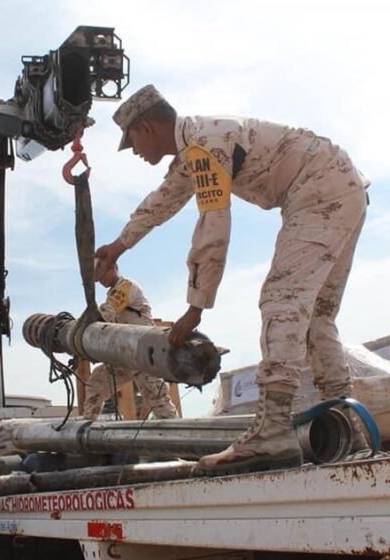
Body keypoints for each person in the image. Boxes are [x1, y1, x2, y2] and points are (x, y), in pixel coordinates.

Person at [94, 85, 369, 475]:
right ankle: (349, 428)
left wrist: (195, 308)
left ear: (147, 126)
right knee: (317, 316)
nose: (134, 150)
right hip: (343, 185)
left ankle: (272, 429)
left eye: (132, 140)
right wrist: (119, 246)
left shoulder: (203, 147)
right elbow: (163, 199)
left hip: (319, 189)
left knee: (282, 298)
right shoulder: (196, 147)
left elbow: (213, 226)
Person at [82, 262, 179, 420]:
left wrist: (80, 328)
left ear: (113, 267)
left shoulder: (126, 287)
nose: (99, 281)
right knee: (96, 384)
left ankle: (181, 437)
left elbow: (105, 314)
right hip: (125, 355)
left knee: (158, 401)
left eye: (100, 275)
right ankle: (88, 431)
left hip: (145, 355)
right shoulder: (113, 293)